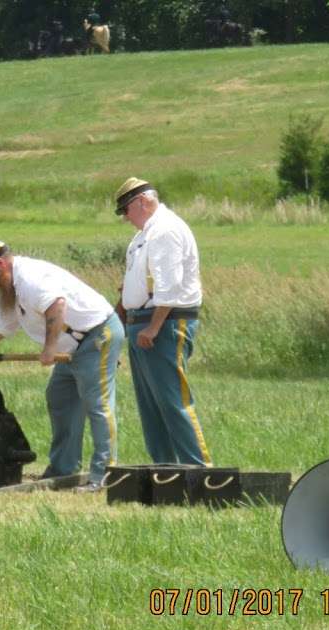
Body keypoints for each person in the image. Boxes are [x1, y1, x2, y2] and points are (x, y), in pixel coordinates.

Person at [0, 238, 124, 492]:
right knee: (59, 398)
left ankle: (105, 474)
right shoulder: (11, 291)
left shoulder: (29, 278)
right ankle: (63, 469)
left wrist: (49, 348)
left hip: (96, 336)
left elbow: (56, 305)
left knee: (97, 404)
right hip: (71, 346)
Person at [114, 177, 211, 466]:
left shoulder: (166, 230)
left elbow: (169, 285)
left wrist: (154, 327)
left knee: (172, 400)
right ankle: (165, 468)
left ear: (142, 201)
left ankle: (199, 468)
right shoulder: (144, 235)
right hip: (140, 322)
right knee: (151, 405)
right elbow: (132, 285)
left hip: (165, 323)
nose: (126, 219)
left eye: (127, 211)